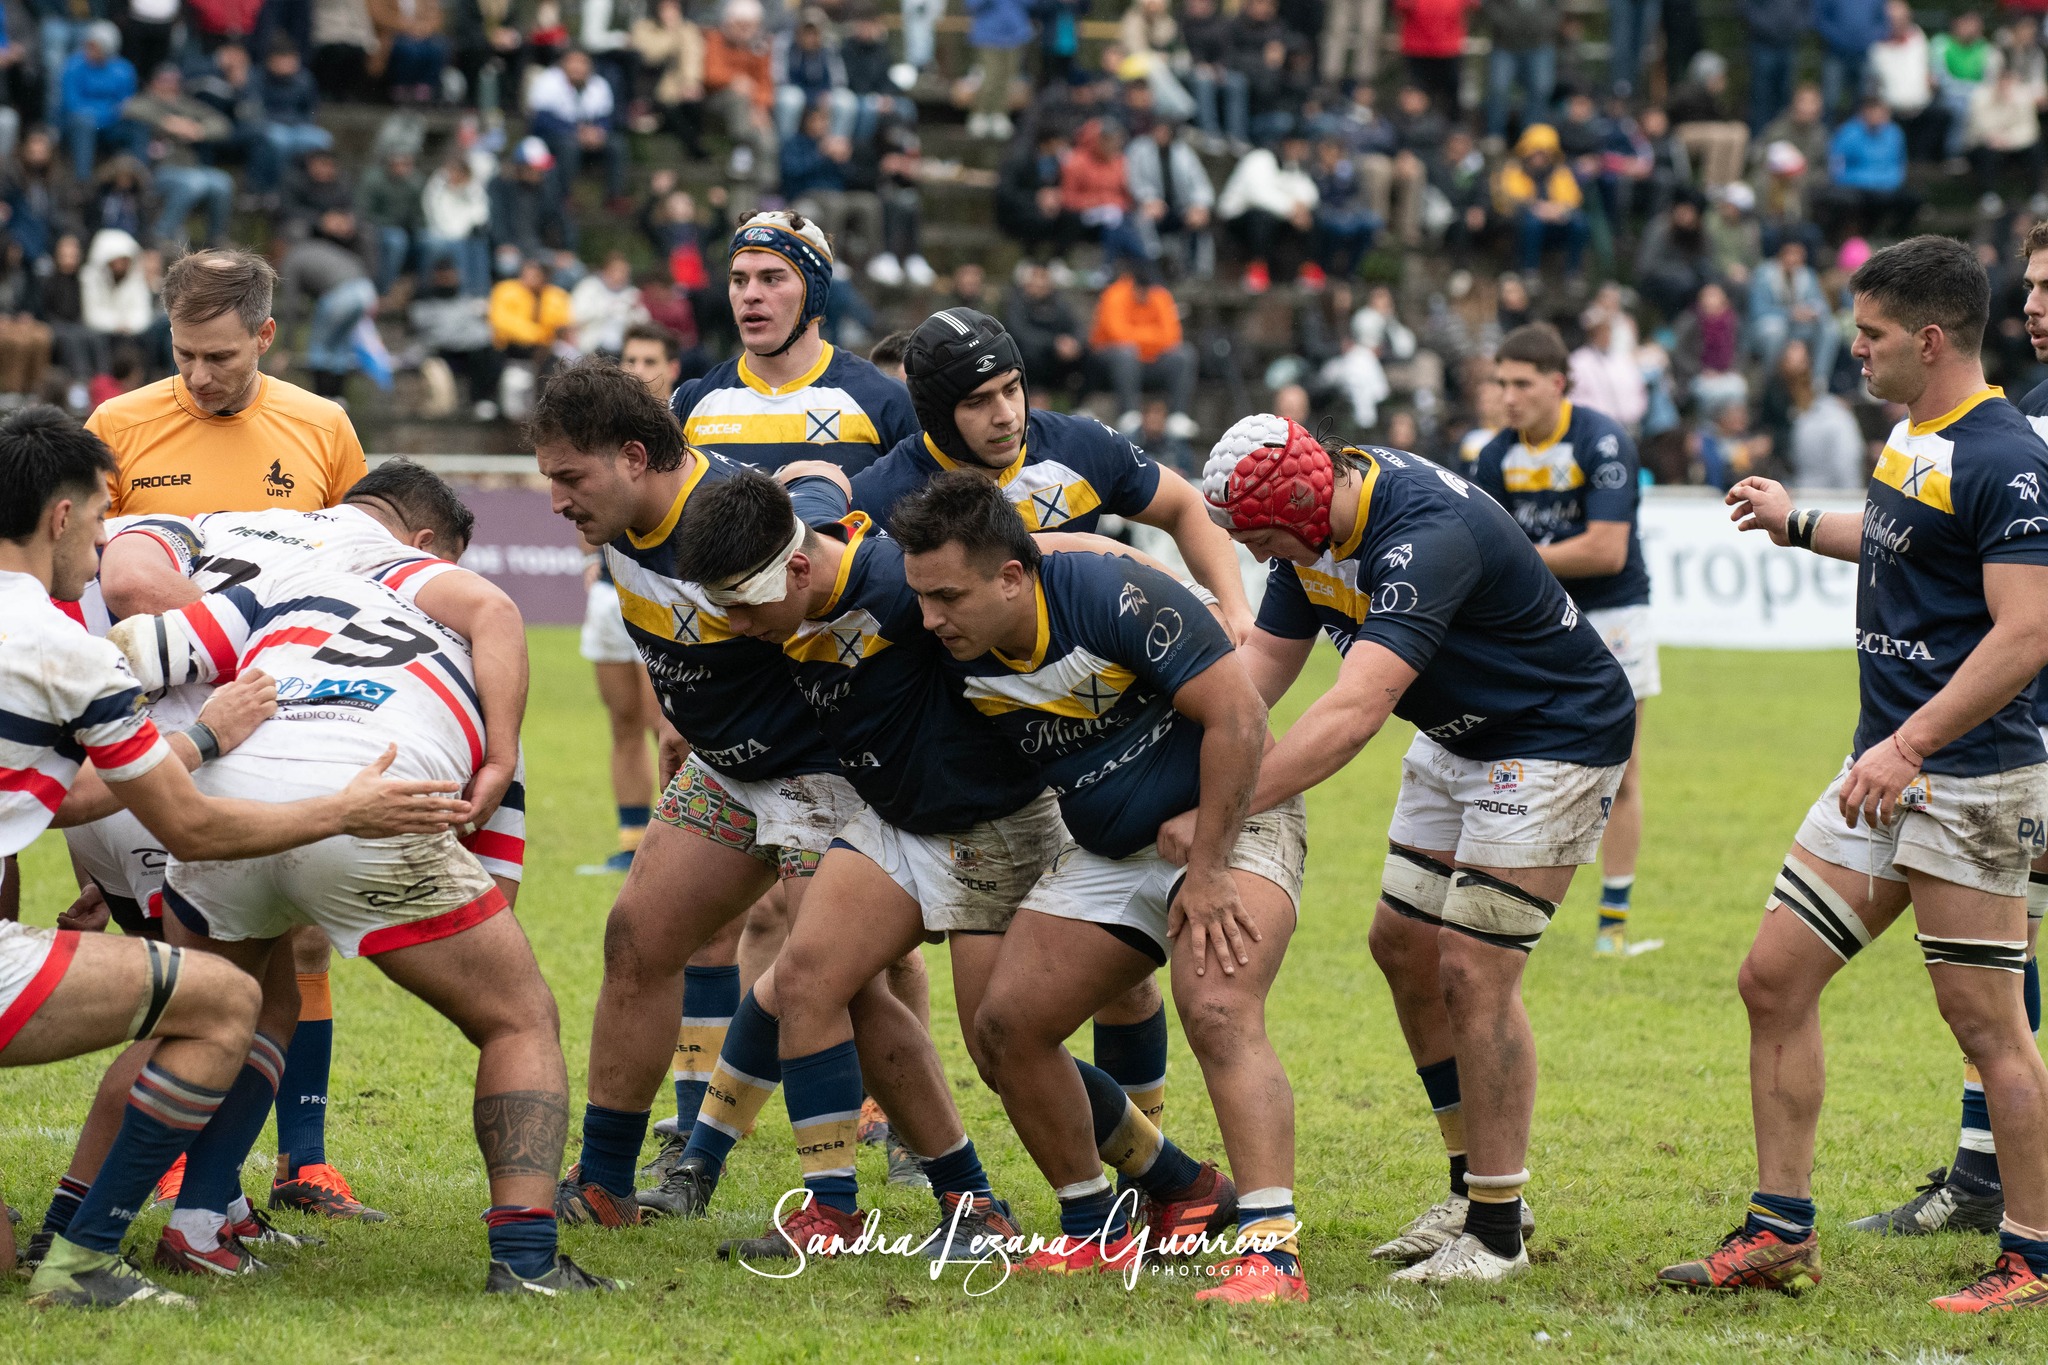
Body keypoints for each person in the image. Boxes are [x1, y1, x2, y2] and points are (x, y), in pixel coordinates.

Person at [0, 404, 467, 1309]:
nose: (103, 544)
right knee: (228, 1000)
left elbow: (59, 795)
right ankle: (82, 1259)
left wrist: (201, 746)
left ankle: (62, 1233)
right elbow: (195, 832)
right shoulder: (70, 651)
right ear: (60, 518)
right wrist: (342, 806)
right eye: (101, 518)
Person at [1657, 234, 2048, 1314]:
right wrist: (1792, 523)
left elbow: (2024, 634)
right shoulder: (1914, 433)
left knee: (1987, 1030)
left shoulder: (2005, 458)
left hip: (1962, 783)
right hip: (1878, 775)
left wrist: (1909, 743)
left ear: (1926, 339)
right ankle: (1777, 1231)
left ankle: (2032, 1259)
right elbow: (1896, 538)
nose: (1854, 354)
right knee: (1770, 979)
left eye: (1869, 336)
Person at [1199, 412, 1635, 1281]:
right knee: (1402, 944)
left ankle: (1500, 1228)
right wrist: (1187, 762)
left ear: (1298, 502)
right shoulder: (1310, 534)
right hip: (1456, 734)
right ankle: (1469, 1185)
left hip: (1554, 734)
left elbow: (1352, 713)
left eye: (1259, 539)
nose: (1257, 559)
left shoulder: (1420, 535)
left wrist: (1224, 811)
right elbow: (1258, 680)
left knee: (1475, 968)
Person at [891, 470, 1306, 1302]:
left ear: (1014, 575)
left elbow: (1240, 719)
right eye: (922, 597)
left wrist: (1213, 864)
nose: (931, 618)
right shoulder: (949, 642)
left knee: (1217, 1005)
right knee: (1005, 1026)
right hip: (1113, 851)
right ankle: (1095, 1227)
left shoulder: (1112, 595)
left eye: (947, 597)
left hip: (1234, 819)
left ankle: (1272, 1252)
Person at [531, 359, 871, 1230]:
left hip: (817, 771)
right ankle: (605, 1181)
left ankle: (882, 1196)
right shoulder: (614, 523)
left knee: (827, 980)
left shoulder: (732, 520)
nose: (558, 500)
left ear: (635, 457)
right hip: (723, 769)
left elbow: (834, 601)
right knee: (636, 940)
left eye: (570, 478)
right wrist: (686, 718)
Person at [83, 248, 384, 1221]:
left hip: (282, 709)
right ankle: (182, 1171)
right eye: (182, 355)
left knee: (296, 942)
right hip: (155, 725)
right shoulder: (118, 428)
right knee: (181, 959)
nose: (199, 376)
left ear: (265, 335)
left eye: (220, 356)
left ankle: (305, 1161)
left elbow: (359, 573)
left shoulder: (322, 427)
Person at [1846, 220, 2048, 1240]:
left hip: (2004, 731)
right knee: (2003, 960)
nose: (2036, 304)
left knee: (1996, 974)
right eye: (2032, 285)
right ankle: (1983, 1177)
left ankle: (2012, 1208)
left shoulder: (2011, 440)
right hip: (2016, 717)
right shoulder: (2014, 417)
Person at [1471, 323, 1656, 957]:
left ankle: (1613, 927)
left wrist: (1517, 562)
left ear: (1558, 384)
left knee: (1621, 774)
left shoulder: (1602, 441)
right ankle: (1507, 902)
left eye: (1522, 383)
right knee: (1515, 760)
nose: (1508, 396)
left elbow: (1606, 551)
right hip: (1535, 622)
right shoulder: (1495, 455)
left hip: (1614, 617)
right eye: (1501, 383)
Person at [668, 211, 915, 477]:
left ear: (814, 294)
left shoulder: (885, 400)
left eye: (771, 279)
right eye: (739, 280)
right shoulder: (691, 402)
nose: (750, 295)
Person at [577, 322, 675, 877]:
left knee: (663, 722)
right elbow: (584, 497)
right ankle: (631, 842)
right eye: (631, 359)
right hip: (611, 598)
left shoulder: (687, 429)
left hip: (664, 599)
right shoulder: (605, 433)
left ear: (671, 367)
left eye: (649, 359)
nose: (638, 369)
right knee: (621, 724)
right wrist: (591, 559)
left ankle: (672, 847)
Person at [1496, 122, 1587, 279]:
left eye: (1544, 153)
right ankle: (1529, 270)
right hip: (1521, 226)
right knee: (1532, 222)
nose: (1539, 157)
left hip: (1555, 224)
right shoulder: (1513, 170)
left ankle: (1573, 272)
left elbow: (1572, 200)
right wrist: (1536, 208)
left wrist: (1557, 210)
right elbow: (1508, 199)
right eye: (1535, 152)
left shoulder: (1560, 172)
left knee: (1580, 222)